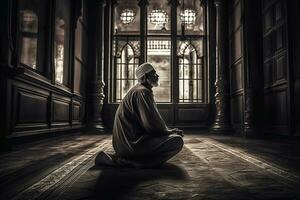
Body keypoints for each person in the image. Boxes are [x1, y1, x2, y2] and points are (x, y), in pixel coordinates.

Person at [95, 63, 184, 168]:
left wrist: (168, 132)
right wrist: (170, 132)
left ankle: (125, 159)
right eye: (154, 73)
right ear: (146, 77)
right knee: (177, 141)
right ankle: (132, 163)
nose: (157, 76)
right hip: (132, 145)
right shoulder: (143, 92)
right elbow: (151, 125)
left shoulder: (138, 90)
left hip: (124, 145)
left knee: (171, 137)